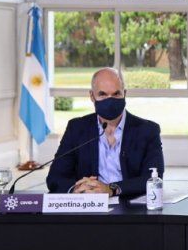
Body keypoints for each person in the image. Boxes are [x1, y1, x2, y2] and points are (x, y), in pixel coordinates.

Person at [46, 67, 164, 197]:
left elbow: (153, 178)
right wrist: (77, 188)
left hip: (130, 207)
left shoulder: (147, 130)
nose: (110, 100)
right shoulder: (77, 128)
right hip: (88, 206)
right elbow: (55, 178)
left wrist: (112, 189)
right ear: (92, 96)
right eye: (102, 94)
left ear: (124, 94)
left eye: (116, 94)